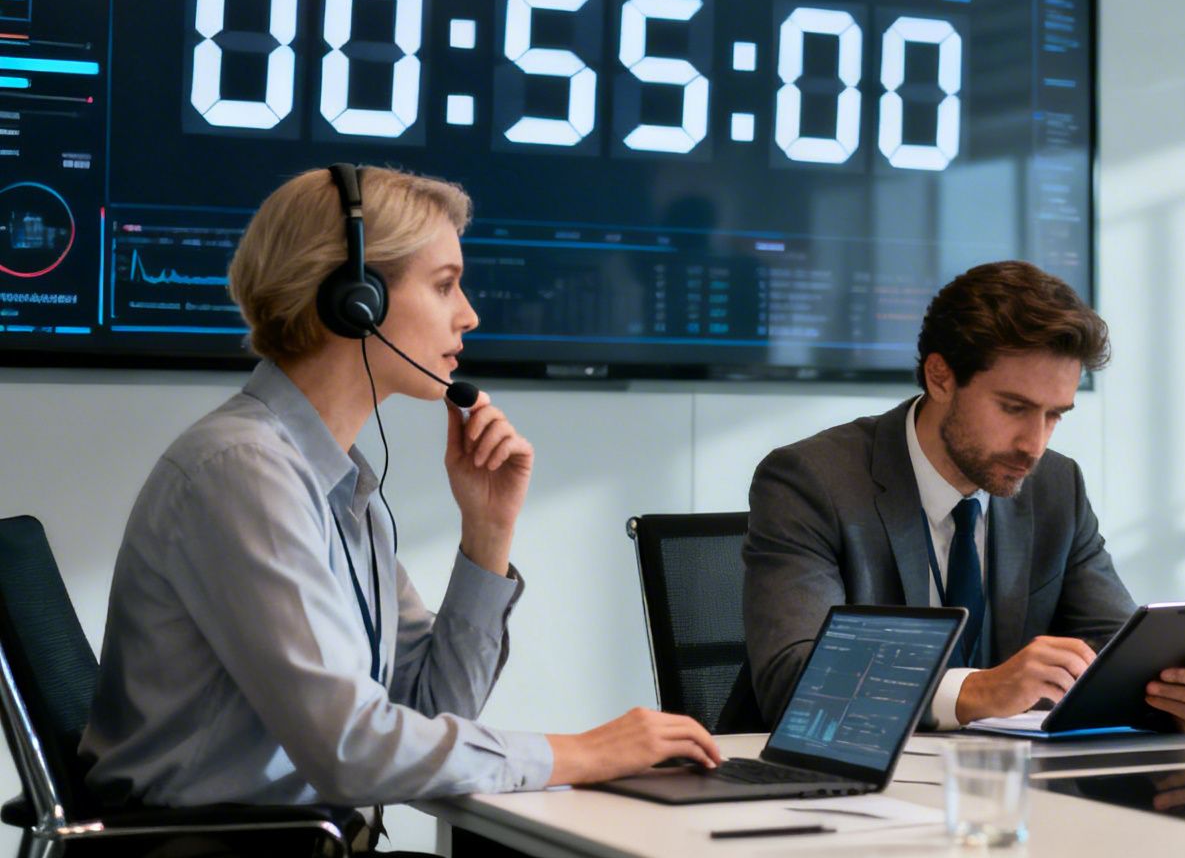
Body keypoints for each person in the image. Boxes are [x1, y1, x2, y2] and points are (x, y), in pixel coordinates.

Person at [82, 165, 720, 834]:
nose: (469, 313)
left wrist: (487, 531)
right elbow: (351, 751)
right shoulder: (245, 473)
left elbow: (428, 708)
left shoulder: (338, 481)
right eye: (444, 285)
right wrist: (582, 752)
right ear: (354, 300)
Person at [742, 260, 1185, 731]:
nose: (1035, 443)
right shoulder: (812, 481)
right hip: (833, 790)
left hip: (1008, 790)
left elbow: (1113, 651)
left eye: (1055, 414)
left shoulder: (1056, 488)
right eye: (1013, 407)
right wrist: (977, 691)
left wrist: (1181, 696)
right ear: (941, 377)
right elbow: (795, 680)